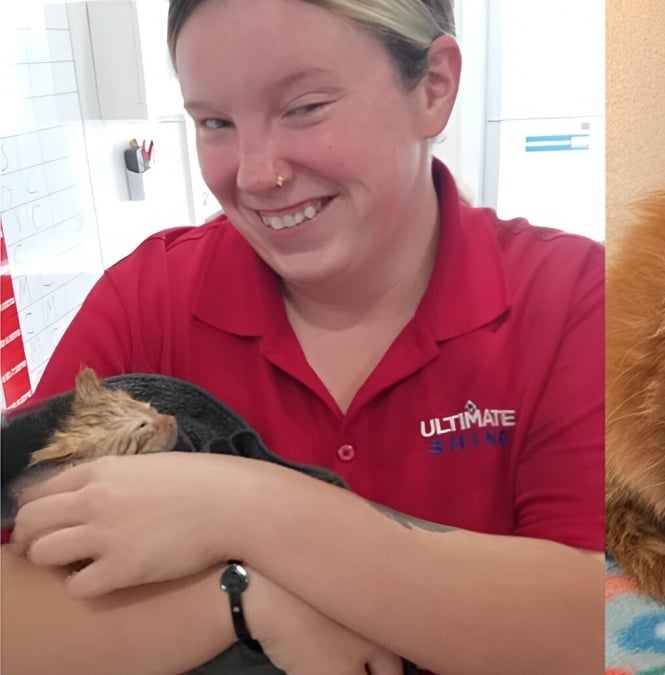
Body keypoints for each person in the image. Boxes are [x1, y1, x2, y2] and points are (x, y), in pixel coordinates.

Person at [0, 0, 604, 673]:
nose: (256, 175)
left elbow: (588, 621)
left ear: (433, 86)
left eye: (306, 107)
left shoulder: (574, 297)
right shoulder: (147, 299)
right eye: (215, 122)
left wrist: (252, 507)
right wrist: (244, 599)